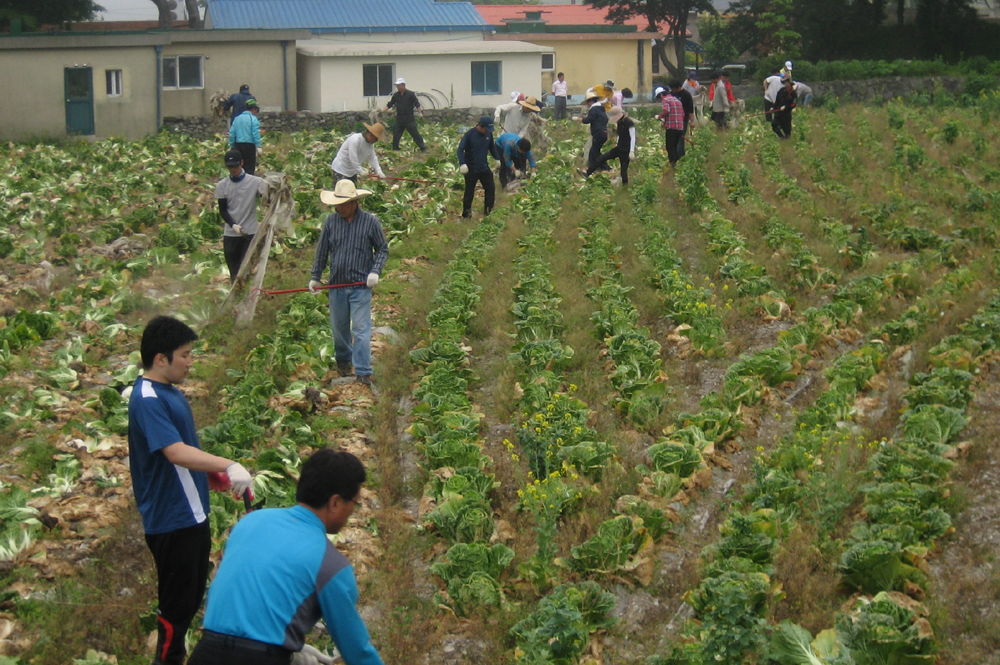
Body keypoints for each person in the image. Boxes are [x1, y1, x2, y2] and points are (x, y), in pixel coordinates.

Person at [128, 315, 253, 665]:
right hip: (173, 519)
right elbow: (174, 451)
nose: (190, 361)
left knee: (191, 596)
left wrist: (209, 477)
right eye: (184, 354)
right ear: (160, 359)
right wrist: (225, 463)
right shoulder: (149, 398)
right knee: (176, 607)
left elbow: (184, 449)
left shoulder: (168, 392)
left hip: (192, 513)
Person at [187, 449, 382, 665]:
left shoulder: (250, 522)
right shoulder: (332, 564)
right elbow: (358, 652)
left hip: (204, 652)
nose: (352, 512)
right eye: (354, 503)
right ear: (335, 503)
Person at [308, 181, 389, 386]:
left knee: (361, 329)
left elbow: (382, 249)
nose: (339, 208)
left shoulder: (371, 222)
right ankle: (344, 362)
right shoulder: (331, 222)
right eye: (337, 204)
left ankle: (363, 372)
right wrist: (315, 277)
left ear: (354, 202)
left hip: (361, 286)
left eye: (343, 204)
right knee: (339, 329)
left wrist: (375, 271)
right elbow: (322, 251)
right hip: (337, 286)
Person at [216, 149, 269, 284]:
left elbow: (268, 197)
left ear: (242, 163)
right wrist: (233, 225)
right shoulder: (222, 185)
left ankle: (245, 295)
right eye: (230, 167)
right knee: (234, 271)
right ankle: (235, 296)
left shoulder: (255, 182)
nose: (233, 169)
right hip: (231, 233)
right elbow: (223, 210)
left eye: (235, 166)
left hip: (249, 233)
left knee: (244, 269)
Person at [457, 116, 501, 219]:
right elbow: (460, 150)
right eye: (486, 129)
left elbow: (491, 147)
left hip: (484, 168)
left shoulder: (488, 134)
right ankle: (467, 215)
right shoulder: (469, 134)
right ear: (480, 126)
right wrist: (462, 163)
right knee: (469, 191)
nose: (487, 132)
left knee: (490, 189)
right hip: (471, 168)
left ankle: (488, 212)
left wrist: (497, 158)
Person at [579, 106, 635, 185]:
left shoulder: (629, 122)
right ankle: (588, 172)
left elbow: (633, 137)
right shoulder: (619, 122)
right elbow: (620, 135)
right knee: (602, 158)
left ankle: (625, 187)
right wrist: (617, 143)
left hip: (626, 151)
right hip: (619, 148)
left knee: (623, 172)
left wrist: (632, 151)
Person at [384, 78, 426, 152]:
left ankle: (423, 148)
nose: (398, 87)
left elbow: (417, 103)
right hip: (400, 119)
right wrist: (382, 111)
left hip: (409, 119)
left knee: (415, 134)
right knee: (396, 135)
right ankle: (395, 149)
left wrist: (420, 113)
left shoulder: (410, 94)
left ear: (403, 85)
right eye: (397, 86)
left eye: (399, 85)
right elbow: (390, 104)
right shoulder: (396, 95)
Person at [574, 88, 608, 172]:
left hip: (598, 133)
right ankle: (594, 168)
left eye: (588, 103)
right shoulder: (601, 110)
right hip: (604, 133)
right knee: (594, 152)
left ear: (591, 101)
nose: (587, 105)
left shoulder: (594, 110)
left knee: (594, 152)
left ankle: (605, 168)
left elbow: (588, 120)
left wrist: (578, 119)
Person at [229, 98, 262, 175]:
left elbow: (232, 133)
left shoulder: (237, 118)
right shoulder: (253, 119)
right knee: (249, 168)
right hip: (249, 146)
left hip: (238, 145)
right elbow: (255, 133)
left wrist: (232, 145)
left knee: (239, 166)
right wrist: (258, 146)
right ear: (254, 109)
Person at [658, 88, 686, 167]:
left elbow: (667, 111)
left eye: (659, 98)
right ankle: (677, 163)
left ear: (661, 95)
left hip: (671, 128)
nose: (660, 100)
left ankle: (672, 164)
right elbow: (683, 114)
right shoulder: (677, 100)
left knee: (670, 147)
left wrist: (659, 116)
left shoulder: (666, 100)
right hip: (680, 127)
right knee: (675, 146)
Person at [669, 79, 694, 159]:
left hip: (683, 120)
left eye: (675, 89)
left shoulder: (686, 95)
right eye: (672, 89)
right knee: (672, 139)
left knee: (680, 138)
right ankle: (674, 158)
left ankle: (681, 157)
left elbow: (690, 109)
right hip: (672, 120)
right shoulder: (671, 94)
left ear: (679, 87)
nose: (674, 91)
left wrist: (692, 121)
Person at [771, 75, 797, 139]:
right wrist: (773, 108)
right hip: (779, 112)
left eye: (787, 82)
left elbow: (794, 104)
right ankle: (781, 137)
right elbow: (777, 101)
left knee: (787, 129)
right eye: (785, 82)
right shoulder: (781, 91)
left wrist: (786, 107)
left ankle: (786, 138)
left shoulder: (793, 93)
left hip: (786, 114)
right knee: (774, 124)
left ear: (790, 83)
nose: (786, 83)